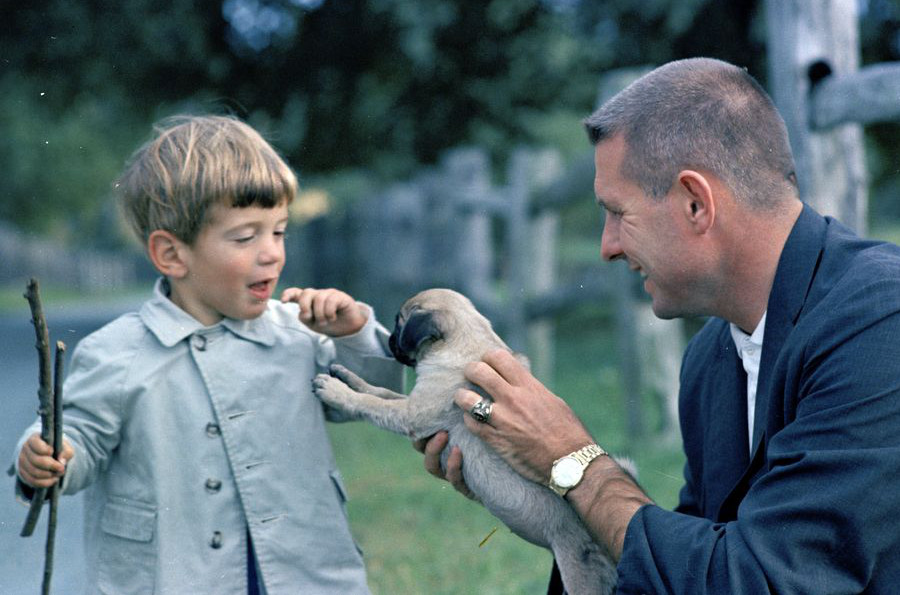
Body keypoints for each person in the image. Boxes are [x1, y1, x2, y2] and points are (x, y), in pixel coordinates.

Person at [422, 57, 900, 593]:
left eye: (618, 213)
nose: (607, 247)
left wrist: (574, 459)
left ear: (696, 203)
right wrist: (548, 487)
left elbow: (761, 580)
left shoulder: (881, 322)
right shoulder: (711, 358)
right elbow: (691, 570)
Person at [12, 114, 403, 594]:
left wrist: (354, 334)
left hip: (303, 572)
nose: (272, 253)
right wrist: (47, 455)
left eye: (278, 231)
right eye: (245, 237)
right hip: (175, 576)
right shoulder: (117, 353)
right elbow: (79, 436)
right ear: (172, 255)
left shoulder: (295, 333)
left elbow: (377, 397)